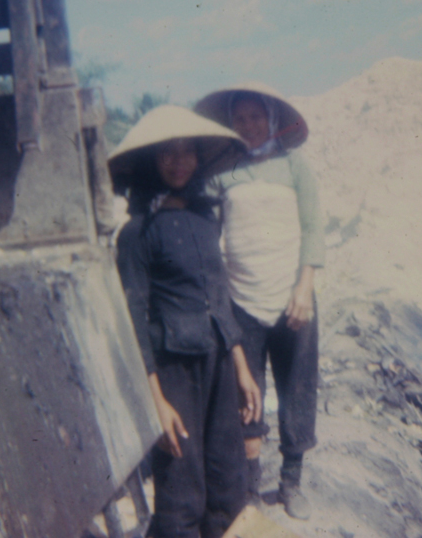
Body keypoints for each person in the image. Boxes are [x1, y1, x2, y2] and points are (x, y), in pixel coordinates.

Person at [108, 105, 262, 538]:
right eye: (167, 153)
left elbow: (219, 296)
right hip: (174, 372)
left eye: (187, 151)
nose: (179, 162)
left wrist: (241, 367)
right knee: (181, 488)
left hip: (218, 364)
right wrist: (156, 401)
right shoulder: (137, 233)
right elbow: (133, 320)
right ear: (150, 162)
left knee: (228, 480)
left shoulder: (204, 218)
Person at [195, 83, 325, 520]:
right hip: (241, 298)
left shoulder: (294, 166)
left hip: (293, 298)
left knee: (297, 387)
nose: (249, 125)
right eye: (240, 118)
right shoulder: (220, 172)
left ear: (271, 119)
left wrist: (304, 287)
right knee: (245, 392)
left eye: (256, 117)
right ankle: (249, 488)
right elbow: (208, 234)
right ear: (231, 124)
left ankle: (291, 481)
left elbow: (313, 227)